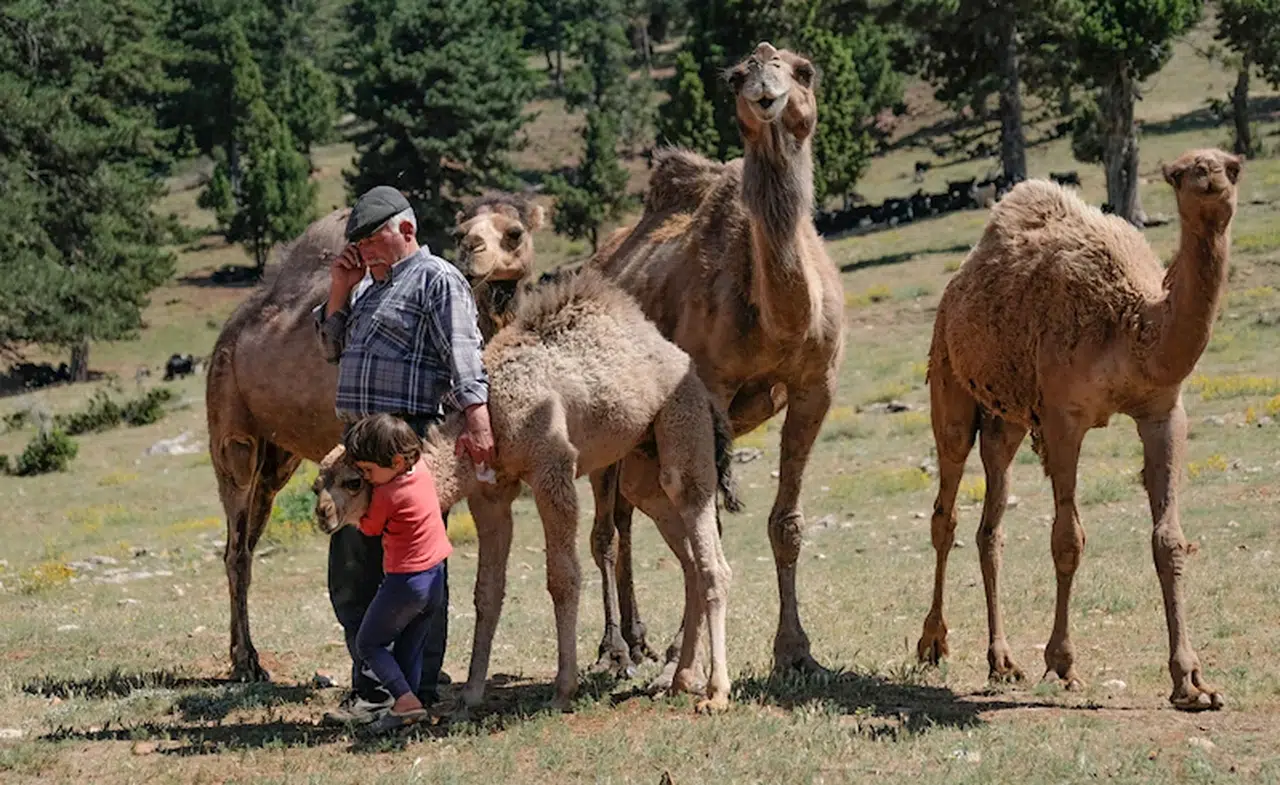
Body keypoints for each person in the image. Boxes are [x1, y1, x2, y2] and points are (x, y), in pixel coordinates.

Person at [313, 186, 496, 725]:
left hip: (403, 444)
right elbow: (330, 348)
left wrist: (478, 418)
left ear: (407, 230)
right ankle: (382, 688)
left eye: (372, 240)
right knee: (352, 569)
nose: (363, 251)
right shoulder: (369, 289)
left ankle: (409, 689)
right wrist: (340, 288)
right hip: (357, 446)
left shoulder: (437, 279)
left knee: (411, 568)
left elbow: (464, 352)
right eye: (358, 243)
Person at [342, 414, 452, 732]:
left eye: (368, 471)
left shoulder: (387, 494)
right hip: (435, 578)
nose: (367, 478)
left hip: (406, 582)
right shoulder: (422, 471)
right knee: (409, 649)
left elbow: (370, 528)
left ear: (397, 461)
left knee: (369, 643)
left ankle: (404, 700)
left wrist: (351, 516)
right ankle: (408, 711)